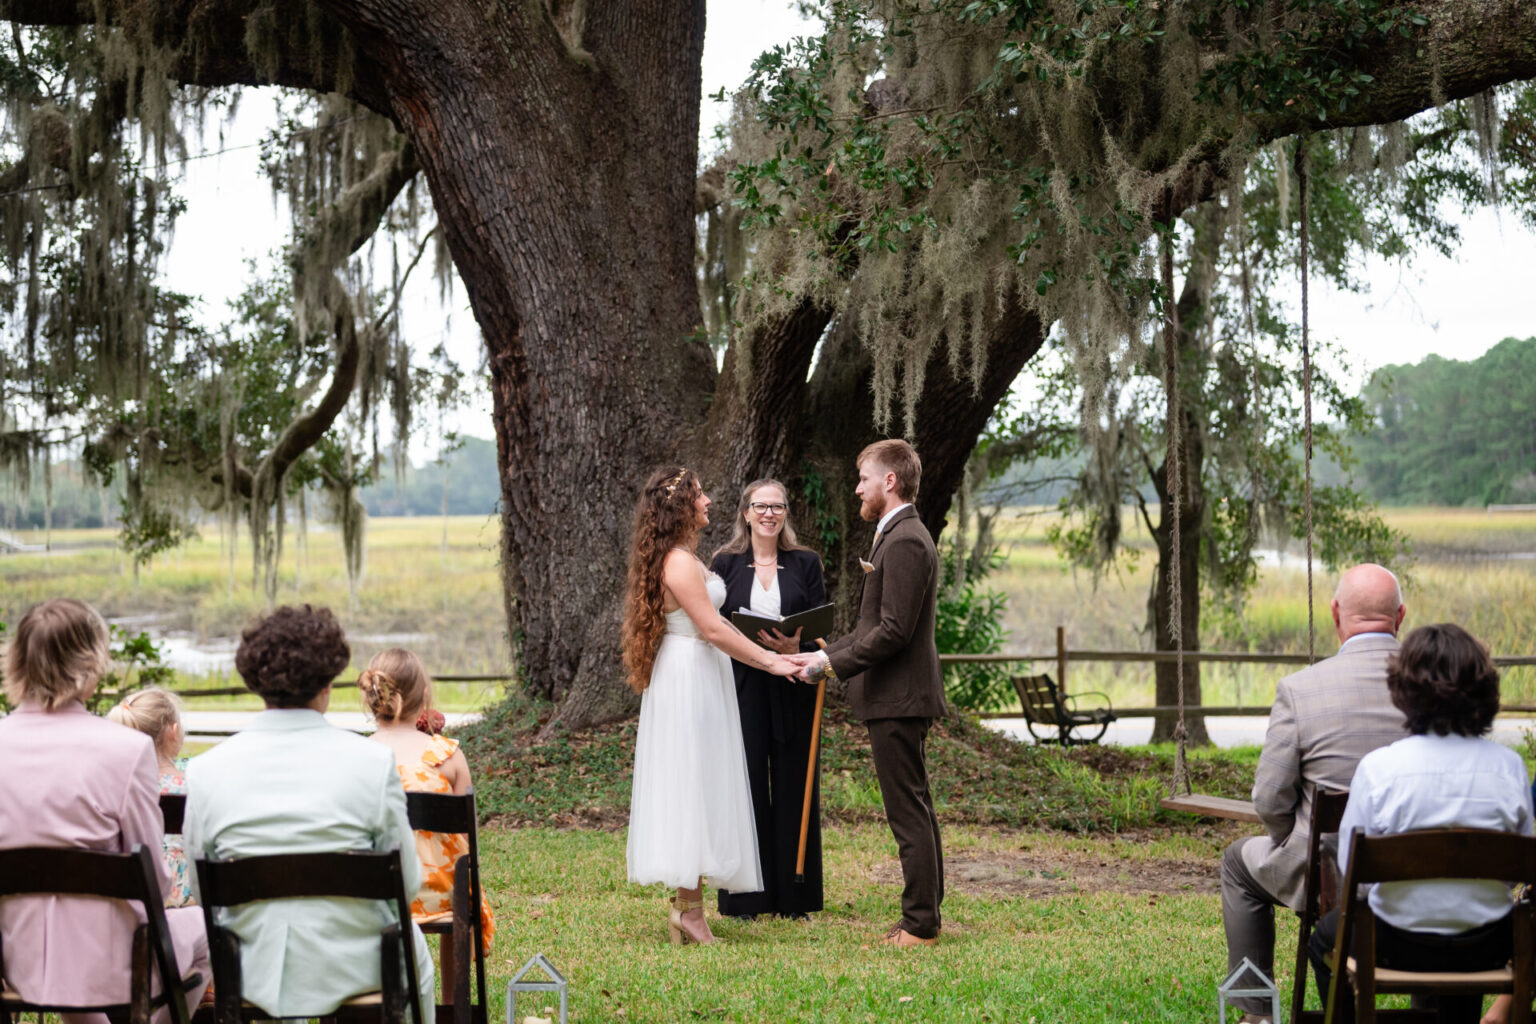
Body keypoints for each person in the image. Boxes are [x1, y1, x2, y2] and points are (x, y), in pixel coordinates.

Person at [184, 605, 434, 1020]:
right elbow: (406, 882)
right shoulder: (371, 763)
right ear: (328, 683)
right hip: (358, 968)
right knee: (416, 953)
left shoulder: (207, 769)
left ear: (254, 681)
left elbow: (200, 889)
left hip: (252, 967)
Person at [1308, 623, 1533, 1024]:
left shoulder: (1380, 768)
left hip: (1393, 943)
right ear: (1484, 690)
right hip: (1486, 947)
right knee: (1470, 931)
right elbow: (1516, 867)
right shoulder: (1509, 768)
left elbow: (1350, 870)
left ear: (1403, 690)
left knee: (1325, 938)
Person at [0, 598, 210, 1024]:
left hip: (13, 961)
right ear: (91, 664)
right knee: (204, 929)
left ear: (18, 661)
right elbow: (156, 876)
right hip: (117, 965)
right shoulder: (127, 750)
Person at [621, 465, 803, 945]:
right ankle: (690, 912)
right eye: (700, 496)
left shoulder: (684, 557)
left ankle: (688, 908)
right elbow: (715, 629)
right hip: (688, 678)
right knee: (691, 786)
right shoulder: (679, 563)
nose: (707, 503)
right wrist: (771, 662)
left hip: (701, 675)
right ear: (681, 506)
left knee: (698, 785)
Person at [1220, 564, 1410, 1023]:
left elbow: (1269, 800)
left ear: (1335, 614)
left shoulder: (1300, 690)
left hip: (1328, 876)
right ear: (1400, 616)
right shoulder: (1436, 689)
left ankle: (1254, 1014)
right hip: (1417, 876)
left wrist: (1291, 838)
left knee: (1236, 863)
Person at [792, 439, 946, 948]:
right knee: (916, 808)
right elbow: (871, 625)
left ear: (889, 482)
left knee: (907, 813)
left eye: (863, 478)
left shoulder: (904, 540)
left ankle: (920, 925)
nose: (857, 487)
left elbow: (894, 631)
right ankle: (927, 916)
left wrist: (829, 666)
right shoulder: (897, 535)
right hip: (896, 697)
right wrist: (819, 655)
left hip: (898, 697)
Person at [710, 478, 828, 920]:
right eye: (761, 506)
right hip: (743, 686)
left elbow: (820, 626)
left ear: (785, 514)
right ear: (746, 512)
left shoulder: (806, 562)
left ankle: (795, 899)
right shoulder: (724, 562)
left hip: (795, 683)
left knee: (797, 784)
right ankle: (744, 899)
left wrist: (796, 648)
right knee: (746, 785)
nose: (769, 514)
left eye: (777, 507)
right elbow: (716, 625)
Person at [360, 647, 496, 974]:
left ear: (371, 698)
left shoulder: (360, 757)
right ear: (424, 696)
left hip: (381, 895)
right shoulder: (447, 755)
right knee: (457, 874)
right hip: (447, 896)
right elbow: (469, 837)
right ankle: (453, 1004)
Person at [107, 686, 194, 906]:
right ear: (173, 732)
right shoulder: (193, 780)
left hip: (136, 891)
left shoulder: (114, 785)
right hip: (186, 893)